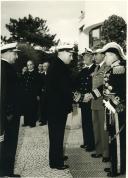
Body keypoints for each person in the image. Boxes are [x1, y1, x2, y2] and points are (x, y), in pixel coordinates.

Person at [45, 44, 74, 170]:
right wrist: (76, 96)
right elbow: (64, 89)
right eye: (70, 54)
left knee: (56, 134)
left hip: (55, 108)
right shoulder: (59, 67)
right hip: (57, 108)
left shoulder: (57, 65)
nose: (71, 57)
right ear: (62, 53)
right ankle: (56, 162)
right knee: (57, 134)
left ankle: (57, 157)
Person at [100, 42, 126, 177]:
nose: (105, 59)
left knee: (117, 138)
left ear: (114, 55)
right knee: (111, 136)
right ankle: (114, 164)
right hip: (110, 108)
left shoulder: (120, 69)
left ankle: (118, 168)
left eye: (107, 56)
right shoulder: (110, 69)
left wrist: (115, 105)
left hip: (117, 110)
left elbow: (122, 93)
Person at [0, 42, 21, 177]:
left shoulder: (6, 67)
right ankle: (6, 172)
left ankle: (5, 171)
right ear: (7, 53)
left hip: (9, 113)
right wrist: (9, 113)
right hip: (9, 115)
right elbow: (4, 93)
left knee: (6, 143)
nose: (17, 56)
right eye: (15, 53)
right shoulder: (5, 68)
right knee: (9, 143)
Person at [75, 48, 96, 151]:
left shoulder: (96, 69)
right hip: (83, 100)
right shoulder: (83, 70)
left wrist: (89, 96)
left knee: (91, 122)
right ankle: (86, 141)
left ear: (92, 57)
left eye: (87, 56)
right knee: (85, 122)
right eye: (84, 56)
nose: (85, 58)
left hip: (91, 100)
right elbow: (78, 84)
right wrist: (79, 97)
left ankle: (92, 144)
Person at [22, 60, 40, 127]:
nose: (29, 66)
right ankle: (26, 122)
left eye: (30, 64)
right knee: (26, 107)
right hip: (26, 94)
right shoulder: (25, 74)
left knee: (32, 108)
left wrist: (38, 94)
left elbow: (38, 85)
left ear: (33, 65)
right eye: (28, 65)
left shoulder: (36, 74)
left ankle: (32, 123)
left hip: (33, 94)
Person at [38, 61, 50, 126]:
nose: (44, 67)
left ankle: (50, 120)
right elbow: (40, 84)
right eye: (43, 66)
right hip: (43, 94)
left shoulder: (51, 75)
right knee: (43, 107)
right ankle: (43, 120)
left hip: (50, 94)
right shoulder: (42, 75)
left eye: (45, 66)